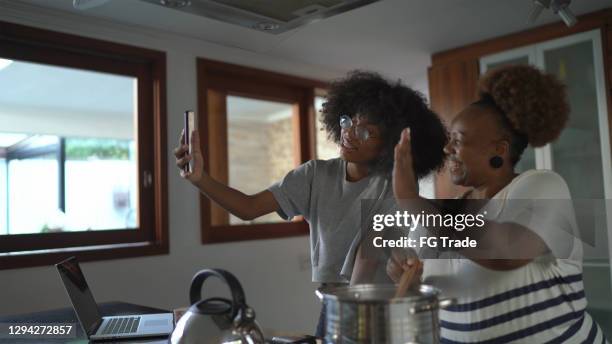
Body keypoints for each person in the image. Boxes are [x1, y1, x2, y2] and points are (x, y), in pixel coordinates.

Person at [174, 70, 447, 337]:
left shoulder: (390, 185)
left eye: (366, 133)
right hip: (333, 306)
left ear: (390, 145)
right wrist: (200, 179)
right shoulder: (314, 175)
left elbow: (366, 261)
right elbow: (249, 207)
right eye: (348, 121)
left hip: (381, 311)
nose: (350, 133)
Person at [388, 65, 607, 343]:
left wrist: (410, 201)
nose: (447, 150)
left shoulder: (542, 186)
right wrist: (409, 280)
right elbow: (431, 293)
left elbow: (505, 252)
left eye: (458, 140)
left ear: (499, 150)